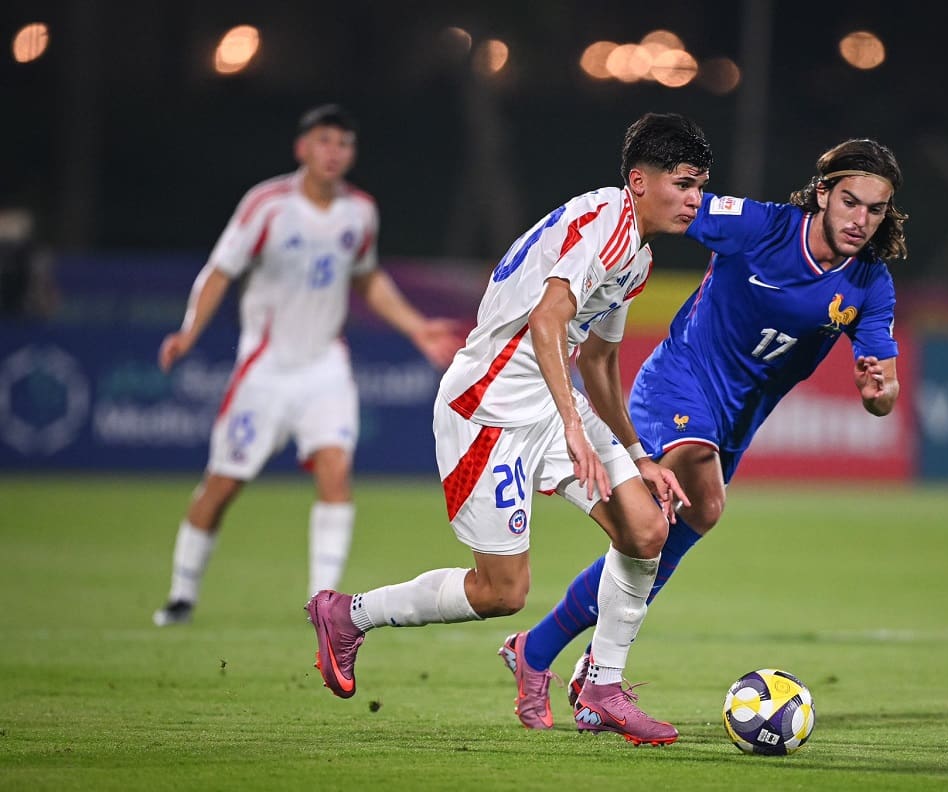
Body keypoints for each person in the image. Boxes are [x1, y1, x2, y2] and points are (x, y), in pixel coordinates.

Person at [305, 112, 713, 747]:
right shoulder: (607, 224)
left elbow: (600, 361)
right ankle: (348, 614)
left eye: (700, 186)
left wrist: (636, 452)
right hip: (487, 413)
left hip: (552, 405)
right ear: (639, 180)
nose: (695, 199)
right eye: (684, 183)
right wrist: (578, 433)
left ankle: (603, 687)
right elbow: (550, 322)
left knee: (646, 527)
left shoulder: (637, 256)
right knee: (502, 592)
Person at [500, 138, 907, 726]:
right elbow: (674, 208)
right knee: (696, 490)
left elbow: (882, 391)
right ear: (823, 193)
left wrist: (879, 392)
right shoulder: (762, 227)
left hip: (738, 419)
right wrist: (599, 248)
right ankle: (596, 673)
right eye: (850, 202)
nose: (860, 220)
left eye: (875, 210)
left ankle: (540, 650)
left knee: (666, 533)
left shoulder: (871, 284)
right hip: (678, 383)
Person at [152, 104, 461, 627]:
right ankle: (182, 594)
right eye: (324, 141)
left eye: (343, 144)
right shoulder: (267, 205)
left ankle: (324, 603)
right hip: (265, 369)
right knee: (223, 485)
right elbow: (220, 271)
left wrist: (415, 327)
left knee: (335, 471)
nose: (333, 152)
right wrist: (189, 331)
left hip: (324, 366)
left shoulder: (360, 211)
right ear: (303, 148)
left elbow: (366, 277)